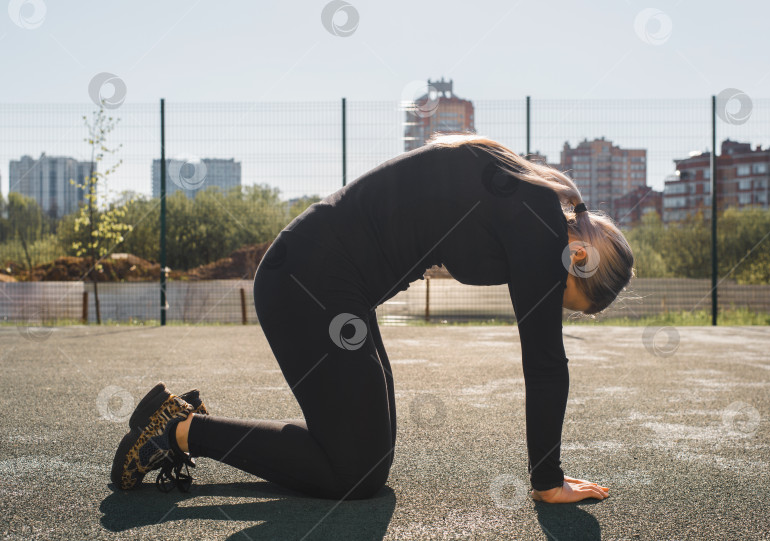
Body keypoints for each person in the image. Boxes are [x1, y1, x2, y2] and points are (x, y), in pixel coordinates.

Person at [111, 133, 634, 504]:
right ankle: (177, 430)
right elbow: (545, 364)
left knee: (367, 464)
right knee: (355, 472)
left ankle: (185, 420)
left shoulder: (525, 193)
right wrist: (549, 480)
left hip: (336, 291)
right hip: (308, 284)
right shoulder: (538, 217)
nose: (548, 298)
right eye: (566, 298)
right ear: (579, 260)